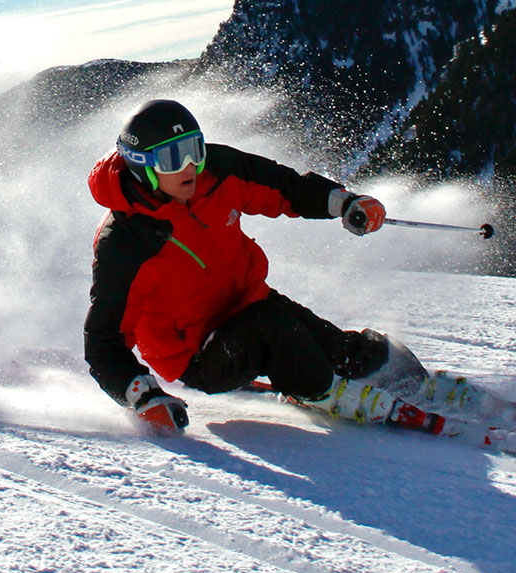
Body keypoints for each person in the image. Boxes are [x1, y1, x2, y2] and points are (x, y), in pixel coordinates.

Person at [85, 98, 392, 436]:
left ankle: (381, 366)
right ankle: (322, 391)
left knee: (338, 350)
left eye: (194, 149)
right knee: (276, 330)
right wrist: (144, 397)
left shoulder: (216, 172)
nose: (189, 166)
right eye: (173, 158)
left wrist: (343, 202)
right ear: (143, 166)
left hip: (248, 303)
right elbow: (103, 341)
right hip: (199, 354)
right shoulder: (125, 242)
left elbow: (284, 187)